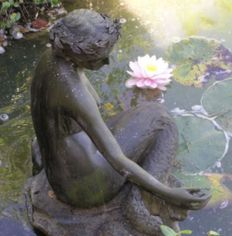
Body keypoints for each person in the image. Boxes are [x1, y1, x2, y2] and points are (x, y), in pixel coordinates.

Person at [31, 9, 211, 210]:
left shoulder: (51, 57)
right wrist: (169, 194)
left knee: (143, 115)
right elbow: (117, 160)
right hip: (86, 188)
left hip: (59, 172)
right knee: (159, 118)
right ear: (80, 55)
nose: (107, 62)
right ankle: (147, 203)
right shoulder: (74, 93)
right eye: (100, 58)